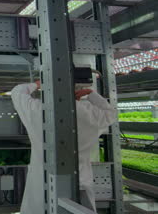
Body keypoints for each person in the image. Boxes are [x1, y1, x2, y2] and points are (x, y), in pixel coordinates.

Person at [11, 80, 118, 213]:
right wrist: (91, 94)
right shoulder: (93, 115)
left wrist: (37, 84)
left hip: (43, 181)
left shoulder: (38, 110)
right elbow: (111, 112)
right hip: (80, 182)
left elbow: (17, 92)